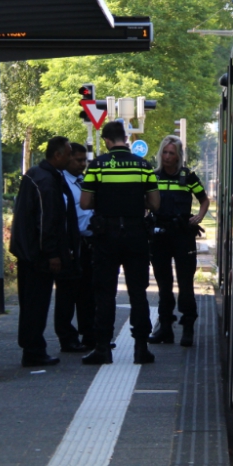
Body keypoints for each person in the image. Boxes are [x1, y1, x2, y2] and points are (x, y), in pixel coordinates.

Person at [79, 122, 160, 365]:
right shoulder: (143, 166)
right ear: (125, 138)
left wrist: (106, 202)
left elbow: (84, 203)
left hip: (106, 236)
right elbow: (155, 204)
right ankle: (141, 349)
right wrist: (135, 202)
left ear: (105, 140)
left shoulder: (97, 165)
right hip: (136, 235)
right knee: (138, 292)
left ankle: (103, 348)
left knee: (105, 293)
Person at [9, 137, 80, 367]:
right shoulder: (48, 182)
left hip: (27, 251)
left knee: (30, 303)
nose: (71, 159)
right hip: (38, 254)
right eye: (68, 154)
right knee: (37, 304)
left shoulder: (35, 174)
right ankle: (33, 351)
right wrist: (52, 254)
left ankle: (32, 347)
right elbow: (47, 221)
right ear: (57, 155)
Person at [147, 135, 209, 347]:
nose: (166, 156)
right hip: (160, 235)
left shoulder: (188, 176)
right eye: (164, 152)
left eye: (171, 153)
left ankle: (188, 327)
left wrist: (199, 217)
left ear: (178, 156)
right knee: (163, 285)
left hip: (182, 234)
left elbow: (204, 199)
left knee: (186, 283)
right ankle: (165, 327)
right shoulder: (153, 176)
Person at [54, 142, 96, 353]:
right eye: (78, 160)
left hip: (88, 243)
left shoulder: (82, 180)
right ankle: (67, 337)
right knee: (67, 293)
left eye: (84, 160)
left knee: (88, 291)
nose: (83, 164)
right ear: (67, 158)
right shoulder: (62, 183)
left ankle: (89, 334)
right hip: (72, 243)